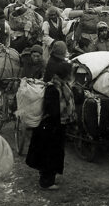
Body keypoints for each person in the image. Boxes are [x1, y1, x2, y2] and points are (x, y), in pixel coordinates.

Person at [26, 60, 74, 190]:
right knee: (50, 153)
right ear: (66, 74)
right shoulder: (54, 88)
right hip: (52, 127)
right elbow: (52, 110)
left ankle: (47, 178)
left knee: (50, 153)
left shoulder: (62, 85)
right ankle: (46, 182)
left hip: (54, 125)